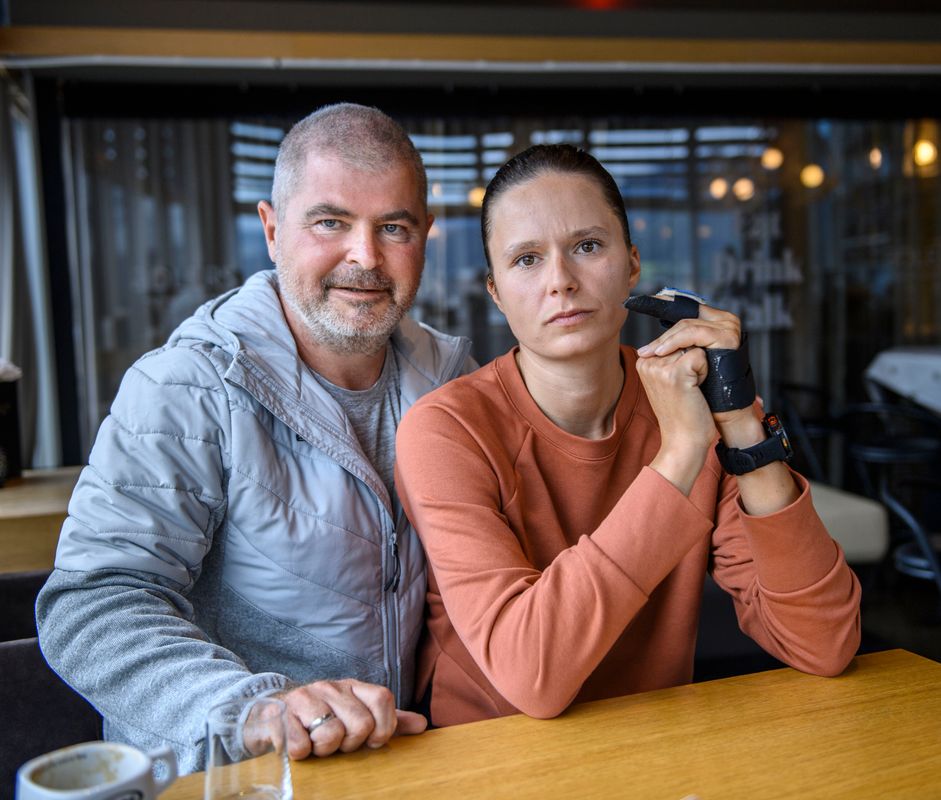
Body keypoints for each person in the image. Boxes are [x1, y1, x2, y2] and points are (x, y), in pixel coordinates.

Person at [36, 103, 475, 773]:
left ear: (426, 237)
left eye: (393, 227)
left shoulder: (453, 382)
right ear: (272, 231)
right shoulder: (184, 388)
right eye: (330, 222)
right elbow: (92, 606)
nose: (365, 256)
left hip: (397, 763)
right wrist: (257, 710)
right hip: (225, 777)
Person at [394, 143, 861, 728]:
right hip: (494, 763)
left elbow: (823, 641)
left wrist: (738, 418)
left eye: (587, 247)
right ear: (495, 292)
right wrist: (681, 453)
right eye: (526, 260)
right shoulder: (446, 430)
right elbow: (530, 676)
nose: (560, 281)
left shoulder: (690, 407)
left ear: (633, 265)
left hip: (653, 753)